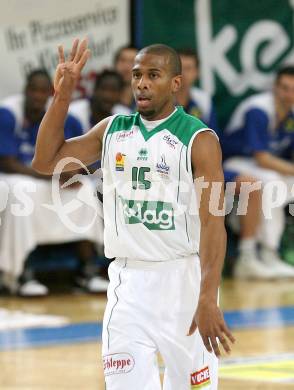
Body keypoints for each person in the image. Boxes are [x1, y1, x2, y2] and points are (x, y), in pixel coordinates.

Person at [32, 39, 235, 389]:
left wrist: (206, 297)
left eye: (153, 75)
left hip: (183, 282)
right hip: (128, 283)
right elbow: (46, 161)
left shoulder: (199, 140)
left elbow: (212, 224)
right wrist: (62, 96)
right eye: (137, 74)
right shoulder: (112, 130)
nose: (141, 82)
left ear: (175, 82)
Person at [0, 69, 108, 296]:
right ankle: (20, 273)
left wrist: (71, 172)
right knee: (21, 190)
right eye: (34, 90)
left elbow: (75, 158)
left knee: (85, 189)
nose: (38, 96)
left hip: (44, 176)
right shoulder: (9, 112)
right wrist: (53, 174)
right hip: (12, 177)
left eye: (43, 92)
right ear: (25, 91)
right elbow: (7, 163)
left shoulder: (59, 116)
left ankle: (86, 270)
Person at [177, 49, 274, 279]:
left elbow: (212, 141)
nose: (184, 73)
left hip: (202, 169)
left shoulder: (202, 100)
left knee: (251, 185)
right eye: (179, 67)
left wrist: (211, 172)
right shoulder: (159, 99)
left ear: (197, 72)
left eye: (189, 68)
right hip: (171, 170)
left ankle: (247, 256)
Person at [222, 66, 294, 278]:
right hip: (233, 163)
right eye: (284, 88)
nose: (289, 94)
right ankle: (255, 254)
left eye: (293, 90)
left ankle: (266, 249)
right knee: (273, 183)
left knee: (283, 186)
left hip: (261, 167)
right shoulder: (258, 109)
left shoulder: (291, 113)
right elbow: (261, 158)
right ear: (275, 88)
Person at [113, 45, 138, 112]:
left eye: (132, 62)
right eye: (122, 60)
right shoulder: (105, 98)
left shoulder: (146, 100)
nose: (126, 67)